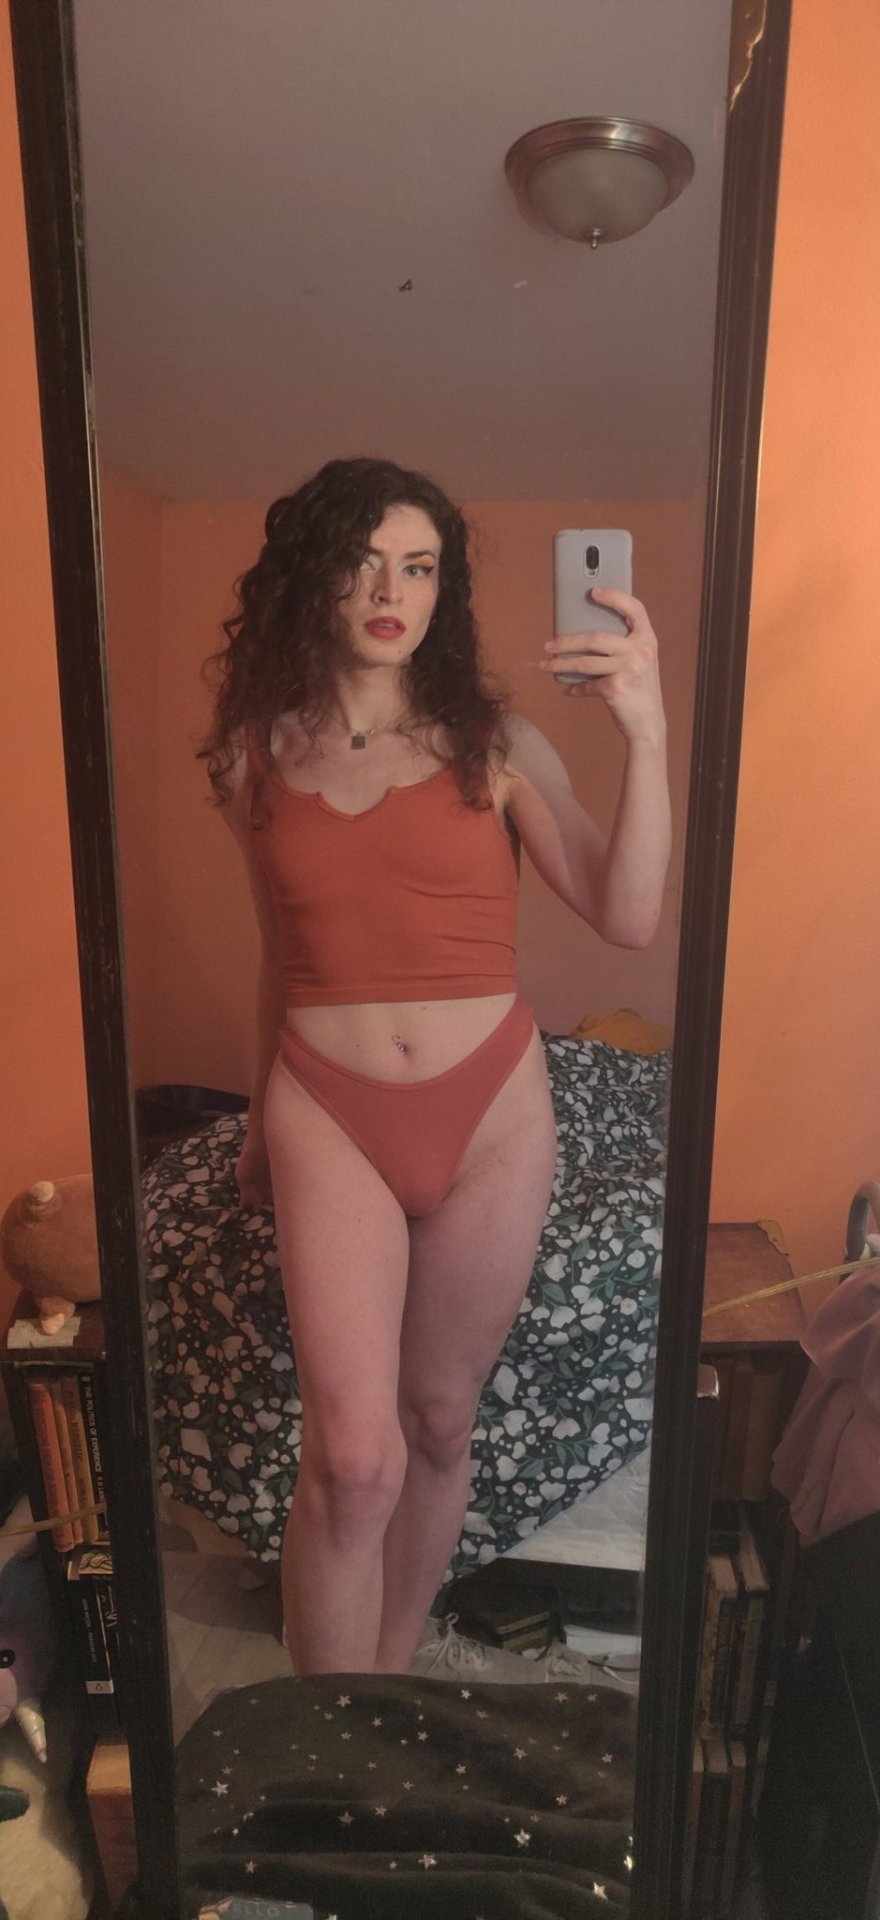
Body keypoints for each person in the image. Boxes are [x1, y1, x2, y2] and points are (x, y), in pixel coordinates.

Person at [201, 455, 670, 1676]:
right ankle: (326, 1728)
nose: (389, 591)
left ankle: (389, 1684)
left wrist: (644, 730)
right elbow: (277, 952)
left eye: (417, 567)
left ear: (441, 589)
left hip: (490, 1114)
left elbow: (627, 915)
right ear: (312, 575)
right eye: (363, 562)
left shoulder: (492, 743)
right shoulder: (253, 756)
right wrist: (257, 1124)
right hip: (327, 1107)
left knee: (442, 1420)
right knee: (353, 1460)